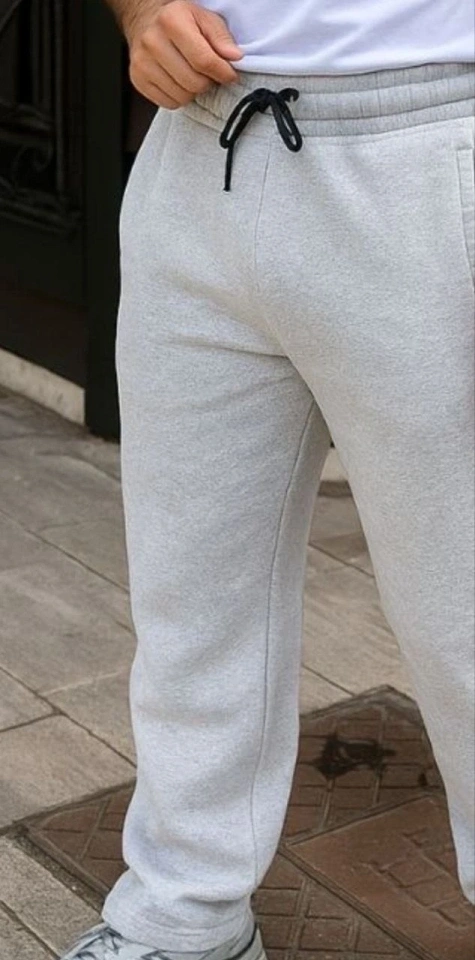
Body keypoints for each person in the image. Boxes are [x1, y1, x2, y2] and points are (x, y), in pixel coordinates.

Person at [62, 2, 475, 958]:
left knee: (460, 609)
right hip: (199, 145)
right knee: (192, 595)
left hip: (430, 145)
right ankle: (184, 915)